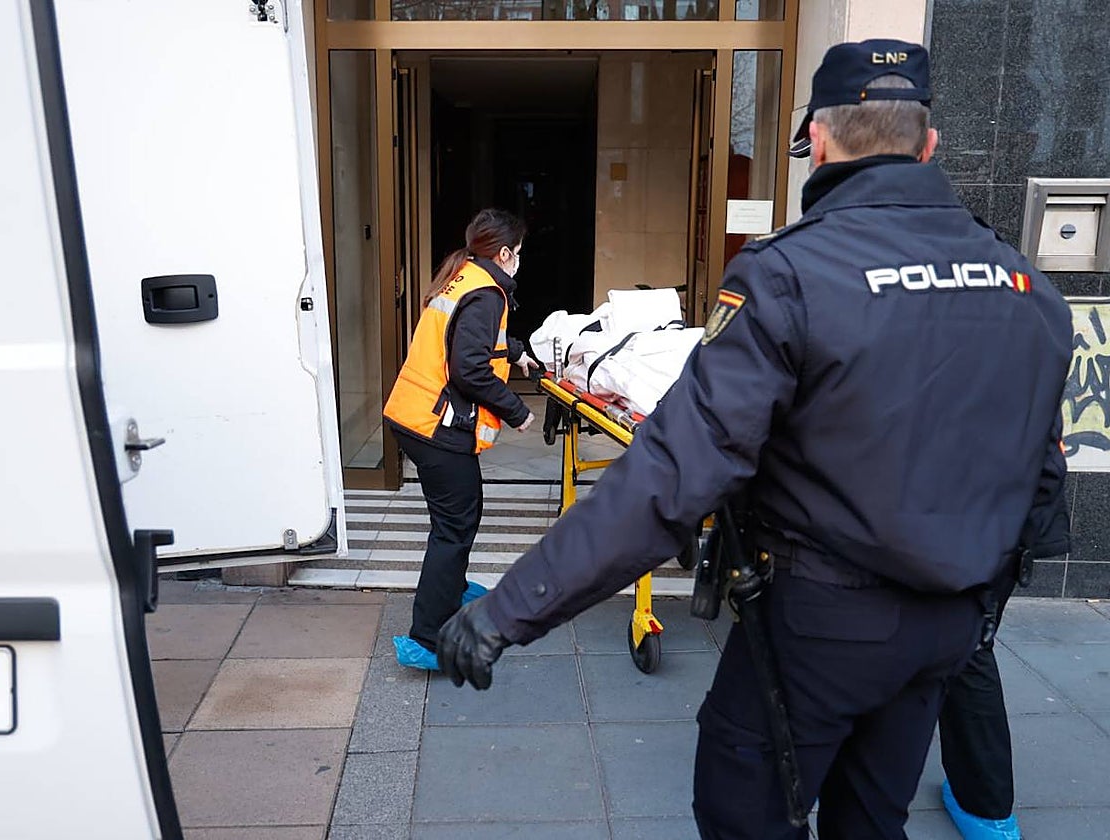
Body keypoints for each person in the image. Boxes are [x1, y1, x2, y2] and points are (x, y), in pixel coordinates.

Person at [434, 39, 1074, 839]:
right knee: (873, 817)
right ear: (930, 144)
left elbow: (673, 475)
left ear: (823, 141)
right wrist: (980, 604)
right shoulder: (1027, 286)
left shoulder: (790, 276)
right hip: (952, 626)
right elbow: (1041, 478)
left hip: (820, 626)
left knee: (745, 811)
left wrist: (511, 609)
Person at [383, 208, 537, 671]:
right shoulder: (487, 293)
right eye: (520, 252)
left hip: (411, 415)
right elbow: (468, 368)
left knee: (457, 517)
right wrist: (517, 411)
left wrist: (515, 354)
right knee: (455, 526)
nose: (520, 260)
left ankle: (451, 586)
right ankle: (426, 639)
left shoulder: (462, 277)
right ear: (505, 253)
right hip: (435, 428)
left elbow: (465, 343)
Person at [938, 428, 1070, 840]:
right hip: (1009, 517)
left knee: (964, 647)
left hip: (956, 515)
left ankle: (986, 809)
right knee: (970, 645)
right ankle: (985, 808)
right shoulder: (1035, 360)